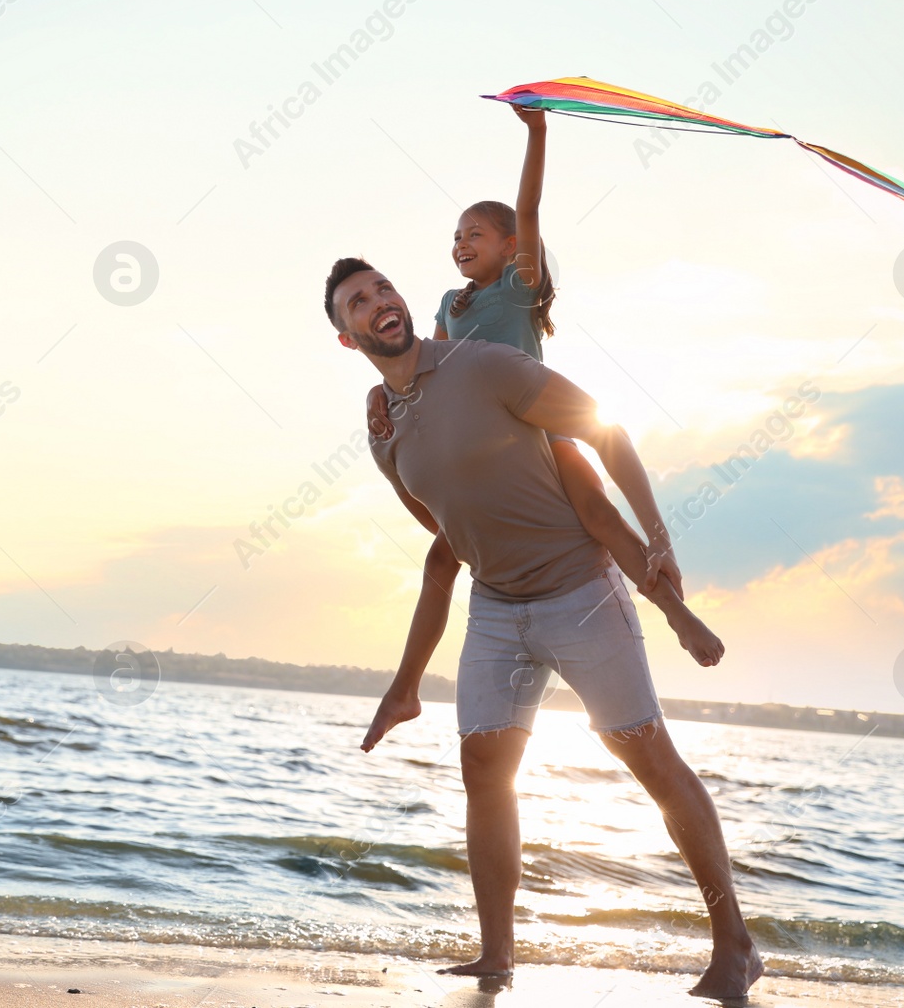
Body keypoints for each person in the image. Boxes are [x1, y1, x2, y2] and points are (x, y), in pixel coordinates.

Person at [324, 259, 762, 999]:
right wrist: (410, 676)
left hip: (580, 590)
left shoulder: (487, 365)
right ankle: (496, 956)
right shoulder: (381, 427)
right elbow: (444, 533)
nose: (378, 303)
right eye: (357, 303)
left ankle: (736, 945)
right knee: (484, 772)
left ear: (401, 301)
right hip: (496, 605)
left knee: (649, 759)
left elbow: (604, 428)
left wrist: (657, 539)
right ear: (347, 337)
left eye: (382, 289)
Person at [365, 105, 722, 678]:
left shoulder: (518, 284)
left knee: (598, 514)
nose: (460, 243)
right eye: (455, 236)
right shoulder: (445, 306)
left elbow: (528, 207)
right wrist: (379, 399)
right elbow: (420, 373)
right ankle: (410, 682)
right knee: (444, 551)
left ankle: (677, 612)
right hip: (486, 446)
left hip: (537, 426)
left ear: (510, 247)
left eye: (475, 234)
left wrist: (537, 131)